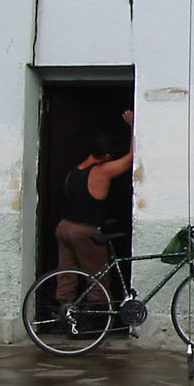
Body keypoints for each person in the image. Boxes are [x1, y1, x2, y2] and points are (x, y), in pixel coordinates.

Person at [55, 109, 134, 302]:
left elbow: (80, 202)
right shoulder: (101, 171)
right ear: (107, 156)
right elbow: (131, 159)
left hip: (64, 228)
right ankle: (95, 319)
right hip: (84, 232)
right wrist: (132, 125)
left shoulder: (73, 172)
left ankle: (65, 313)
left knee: (66, 275)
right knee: (97, 276)